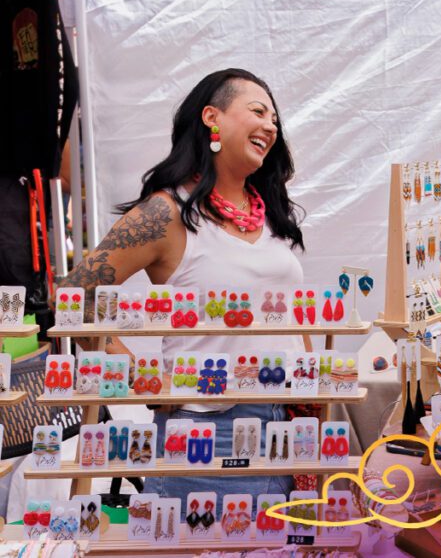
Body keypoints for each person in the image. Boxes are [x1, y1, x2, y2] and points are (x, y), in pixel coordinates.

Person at [60, 68, 306, 504]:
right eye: (258, 111)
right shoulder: (166, 212)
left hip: (287, 422)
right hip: (209, 430)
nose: (271, 126)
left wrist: (312, 397)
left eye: (275, 119)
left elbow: (290, 314)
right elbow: (74, 297)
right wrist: (140, 376)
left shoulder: (270, 213)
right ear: (212, 117)